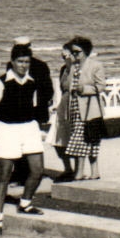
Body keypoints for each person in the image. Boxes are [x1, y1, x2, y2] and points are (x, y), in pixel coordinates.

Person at [0, 43, 48, 237]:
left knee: (37, 170)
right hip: (8, 129)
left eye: (27, 62)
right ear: (12, 62)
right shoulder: (1, 82)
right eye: (20, 62)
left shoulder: (32, 82)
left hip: (29, 127)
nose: (23, 65)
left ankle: (25, 203)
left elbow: (36, 107)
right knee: (4, 174)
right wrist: (11, 114)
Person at [66, 36, 104, 180]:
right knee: (83, 140)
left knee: (87, 140)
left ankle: (82, 172)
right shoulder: (72, 67)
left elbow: (101, 86)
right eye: (73, 52)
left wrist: (85, 89)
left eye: (78, 52)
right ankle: (91, 172)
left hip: (90, 109)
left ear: (86, 51)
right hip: (75, 109)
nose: (75, 55)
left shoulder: (95, 65)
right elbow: (66, 86)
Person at [49, 41, 80, 182]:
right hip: (64, 104)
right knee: (57, 139)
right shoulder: (64, 69)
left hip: (76, 104)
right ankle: (67, 168)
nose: (64, 56)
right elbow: (62, 89)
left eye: (66, 54)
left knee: (76, 137)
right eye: (63, 55)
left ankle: (78, 170)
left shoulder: (79, 68)